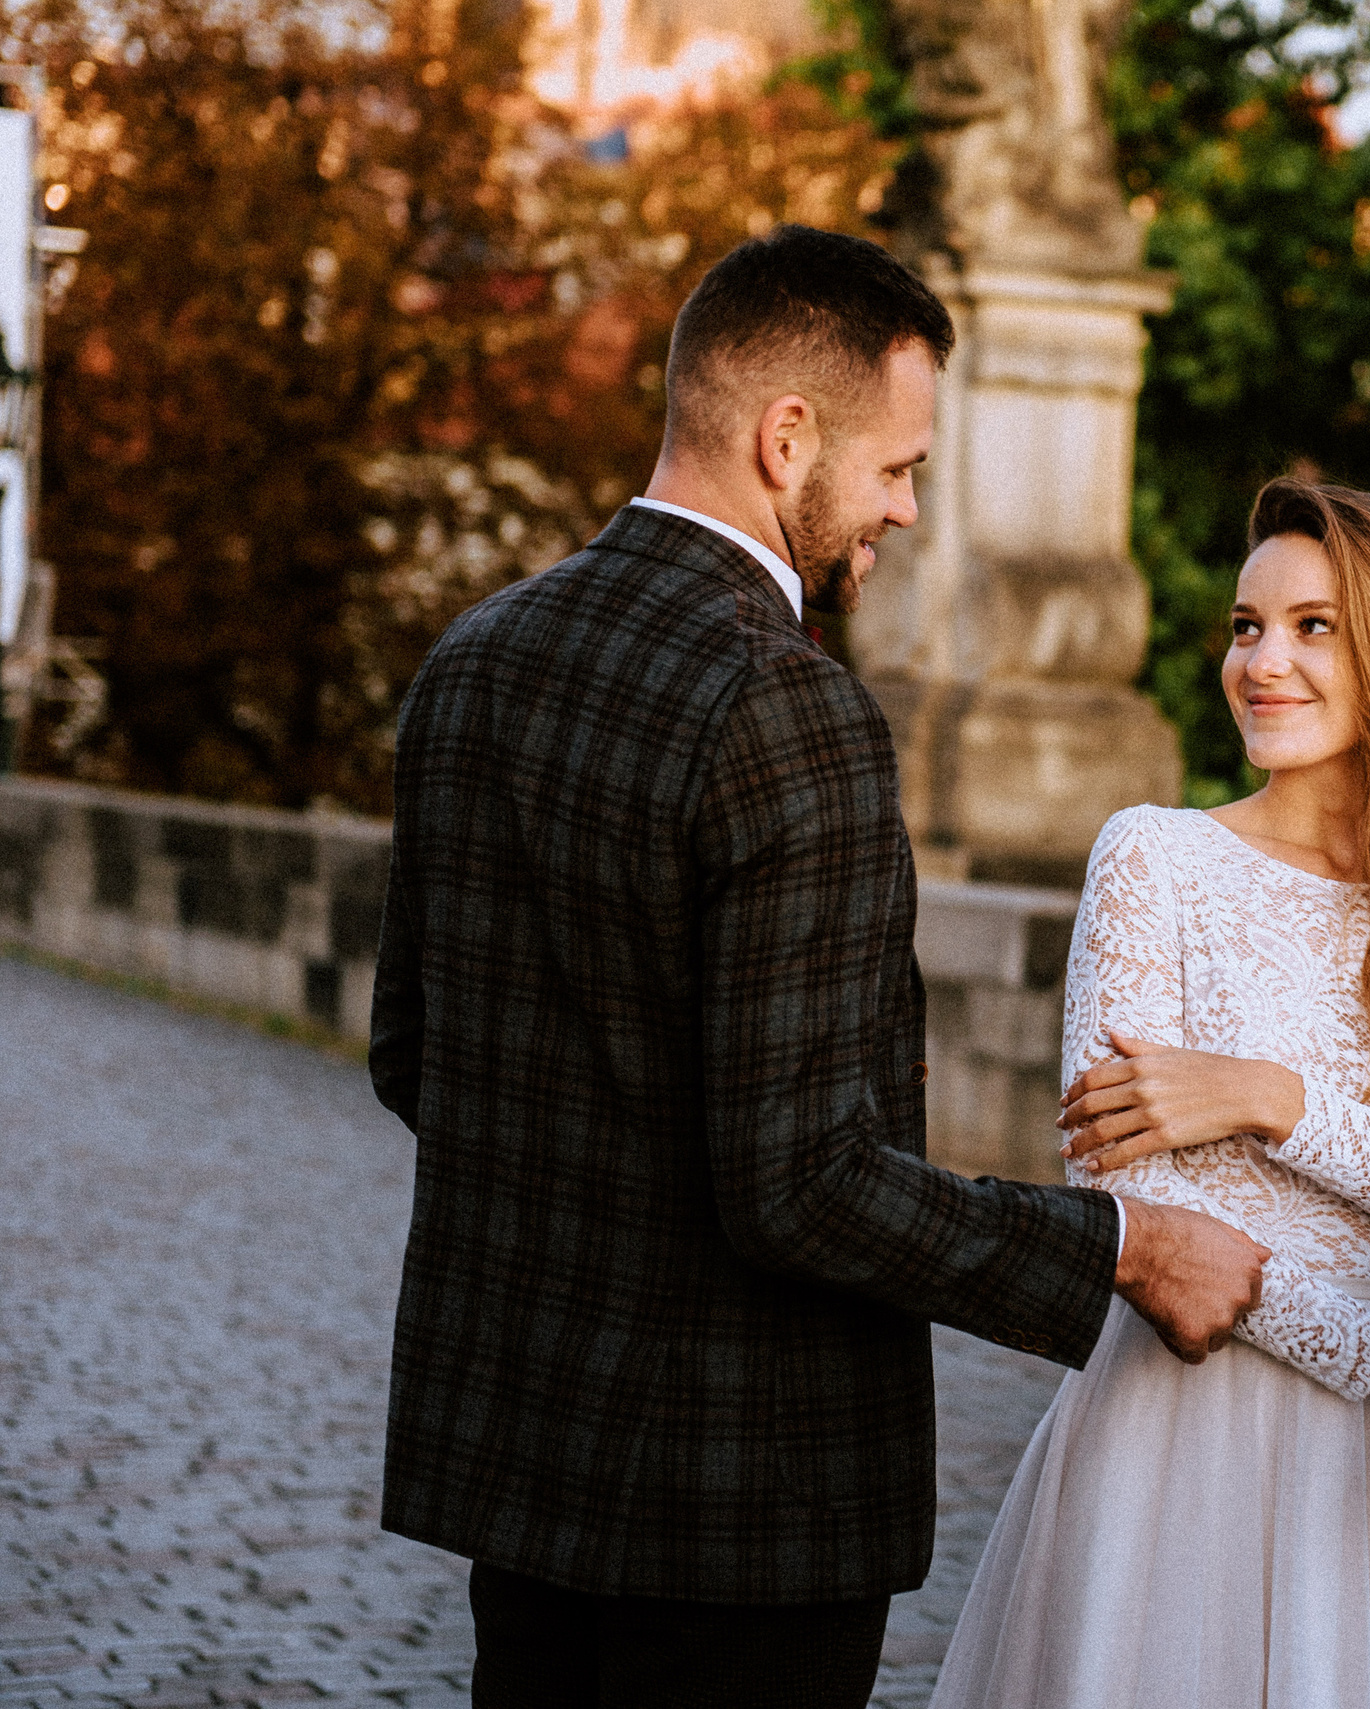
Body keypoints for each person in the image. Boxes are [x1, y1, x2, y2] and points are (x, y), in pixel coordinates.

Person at [367, 224, 1267, 1709]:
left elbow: (416, 1056)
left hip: (523, 1469)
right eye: (900, 467)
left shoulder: (478, 652)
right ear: (789, 440)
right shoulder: (787, 706)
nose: (907, 511)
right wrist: (1127, 1248)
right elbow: (801, 1181)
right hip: (737, 1511)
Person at [928, 478, 1370, 1709]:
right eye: (1245, 625)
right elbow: (1130, 1205)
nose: (1261, 660)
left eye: (1312, 625)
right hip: (1184, 1438)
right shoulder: (1154, 859)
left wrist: (1270, 1098)